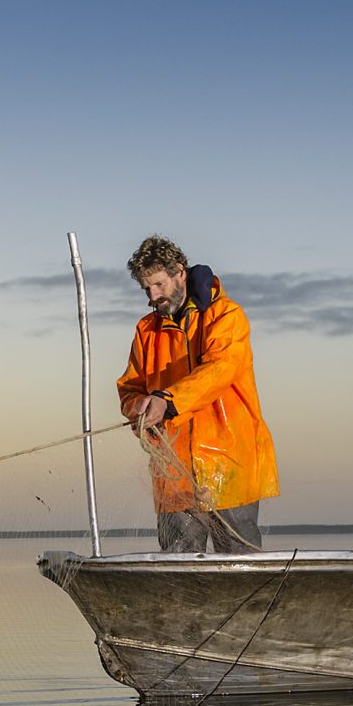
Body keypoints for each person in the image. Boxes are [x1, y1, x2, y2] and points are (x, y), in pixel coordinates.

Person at [117, 235, 278, 552]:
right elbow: (130, 387)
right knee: (176, 563)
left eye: (159, 284)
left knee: (238, 555)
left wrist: (168, 401)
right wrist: (140, 407)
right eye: (146, 289)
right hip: (172, 471)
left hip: (228, 461)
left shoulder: (226, 315)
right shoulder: (146, 330)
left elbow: (220, 369)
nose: (153, 295)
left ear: (179, 272)